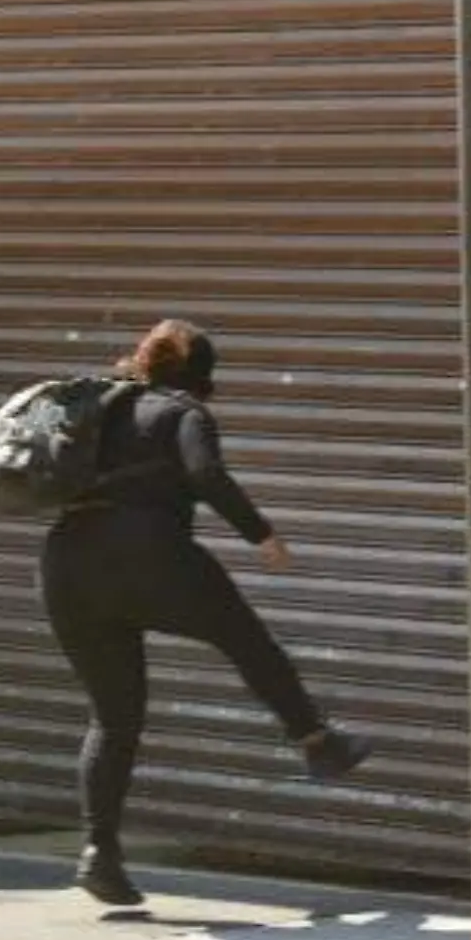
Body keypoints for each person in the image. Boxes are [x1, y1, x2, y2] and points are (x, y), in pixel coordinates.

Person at [42, 319, 373, 907]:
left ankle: (99, 850)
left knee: (113, 719)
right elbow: (205, 474)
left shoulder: (103, 405)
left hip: (67, 562)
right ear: (203, 378)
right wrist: (261, 535)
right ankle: (316, 740)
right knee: (245, 638)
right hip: (148, 552)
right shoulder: (183, 413)